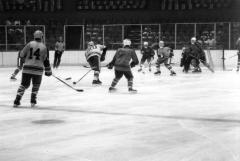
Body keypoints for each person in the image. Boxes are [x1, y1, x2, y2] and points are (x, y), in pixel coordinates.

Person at [13, 30, 52, 107]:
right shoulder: (44, 47)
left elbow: (21, 54)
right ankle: (33, 101)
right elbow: (46, 60)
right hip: (38, 70)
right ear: (42, 37)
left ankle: (17, 101)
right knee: (36, 85)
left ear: (34, 36)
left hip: (27, 68)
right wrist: (48, 71)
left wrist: (25, 60)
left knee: (23, 85)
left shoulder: (29, 44)